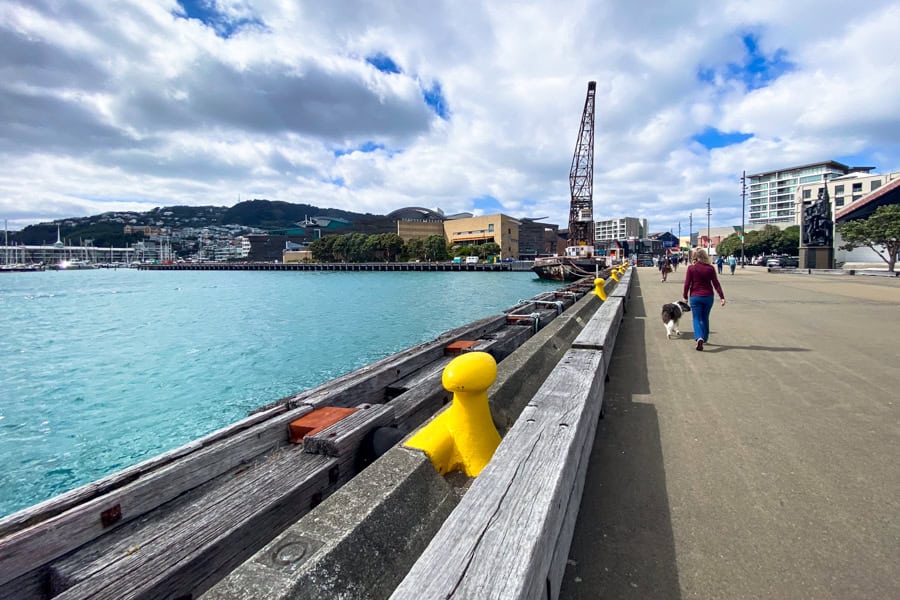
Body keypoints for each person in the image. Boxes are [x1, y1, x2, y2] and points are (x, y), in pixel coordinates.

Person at [682, 248, 726, 351]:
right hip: (708, 296)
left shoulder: (691, 268)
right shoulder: (710, 268)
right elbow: (716, 283)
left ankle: (699, 337)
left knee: (697, 318)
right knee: (705, 317)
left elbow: (687, 284)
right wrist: (722, 297)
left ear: (695, 257)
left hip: (695, 296)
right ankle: (704, 338)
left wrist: (684, 296)